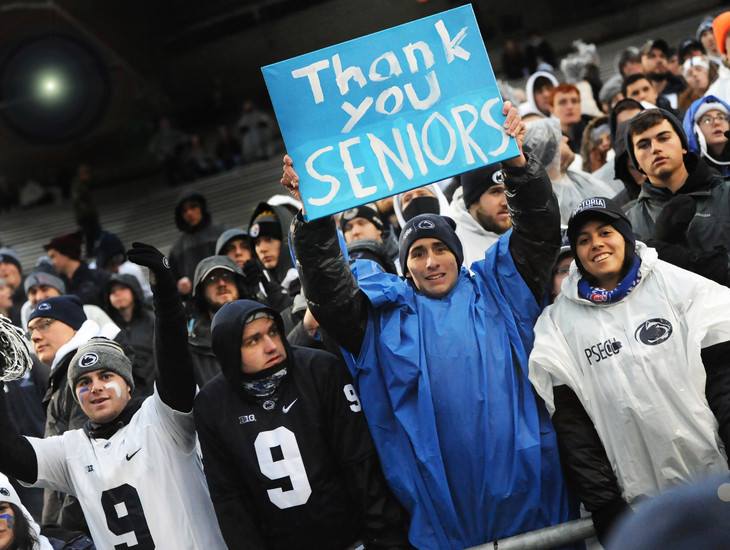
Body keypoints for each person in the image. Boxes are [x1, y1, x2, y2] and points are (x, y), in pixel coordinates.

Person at [283, 102, 574, 549]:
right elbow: (328, 289)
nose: (431, 261)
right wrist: (314, 217)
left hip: (536, 508)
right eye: (417, 252)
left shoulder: (501, 291)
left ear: (458, 254)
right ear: (405, 265)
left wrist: (518, 166)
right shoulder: (380, 319)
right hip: (447, 526)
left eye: (440, 248)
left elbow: (537, 229)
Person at [528, 197, 730, 545]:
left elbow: (724, 382)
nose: (597, 244)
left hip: (716, 482)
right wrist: (605, 505)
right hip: (643, 507)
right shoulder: (557, 326)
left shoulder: (680, 287)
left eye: (605, 232)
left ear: (625, 234)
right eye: (584, 239)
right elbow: (574, 430)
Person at [0, 243, 227, 548]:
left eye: (106, 376)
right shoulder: (72, 450)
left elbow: (174, 361)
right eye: (83, 382)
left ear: (129, 385)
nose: (95, 387)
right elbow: (9, 451)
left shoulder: (162, 420)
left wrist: (166, 295)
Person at [194, 299, 410, 548]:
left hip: (351, 539)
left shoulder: (320, 370)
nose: (271, 346)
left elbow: (360, 463)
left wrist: (387, 540)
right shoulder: (212, 405)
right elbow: (230, 499)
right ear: (229, 350)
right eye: (253, 340)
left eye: (273, 332)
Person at [624, 108, 730, 284]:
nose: (655, 148)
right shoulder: (627, 223)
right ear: (637, 163)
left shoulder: (726, 194)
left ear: (683, 147)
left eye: (663, 138)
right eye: (643, 145)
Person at [523, 117, 615, 224]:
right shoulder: (546, 201)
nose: (566, 139)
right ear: (546, 148)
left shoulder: (576, 179)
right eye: (559, 137)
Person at [188, 256, 249, 387]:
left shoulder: (264, 323)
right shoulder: (194, 347)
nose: (221, 283)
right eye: (212, 279)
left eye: (226, 276)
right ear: (201, 291)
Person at [104, 274, 156, 398]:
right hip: (123, 390)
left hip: (154, 386)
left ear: (134, 290)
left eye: (122, 289)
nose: (117, 294)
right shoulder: (109, 326)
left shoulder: (152, 320)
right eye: (113, 292)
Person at [448, 164, 512, 266]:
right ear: (473, 201)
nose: (506, 202)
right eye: (495, 192)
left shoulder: (526, 232)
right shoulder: (450, 242)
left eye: (509, 191)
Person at [169, 191, 224, 296]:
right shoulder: (177, 249)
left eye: (193, 207)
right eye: (184, 211)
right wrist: (180, 288)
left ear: (202, 208)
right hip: (197, 303)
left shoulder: (222, 234)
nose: (189, 213)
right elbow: (171, 283)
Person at [248, 202, 299, 297]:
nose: (262, 249)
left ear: (286, 241)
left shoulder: (309, 282)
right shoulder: (259, 292)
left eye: (268, 239)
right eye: (257, 243)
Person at [43, 234, 104, 307]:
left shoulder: (97, 277)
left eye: (53, 256)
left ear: (65, 253)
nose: (51, 262)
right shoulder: (58, 282)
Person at [683, 95, 730, 176]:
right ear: (696, 131)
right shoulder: (691, 173)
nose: (716, 123)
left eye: (721, 117)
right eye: (707, 120)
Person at [640, 39, 686, 109]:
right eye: (652, 56)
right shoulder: (637, 97)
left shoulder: (685, 88)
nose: (659, 60)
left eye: (662, 56)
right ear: (641, 62)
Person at [550, 83, 593, 154]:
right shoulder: (549, 142)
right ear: (552, 109)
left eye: (574, 101)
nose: (570, 107)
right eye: (562, 102)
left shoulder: (597, 129)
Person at [0, 248, 24, 325]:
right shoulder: (5, 302)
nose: (3, 268)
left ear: (17, 267)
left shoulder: (35, 290)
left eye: (7, 263)